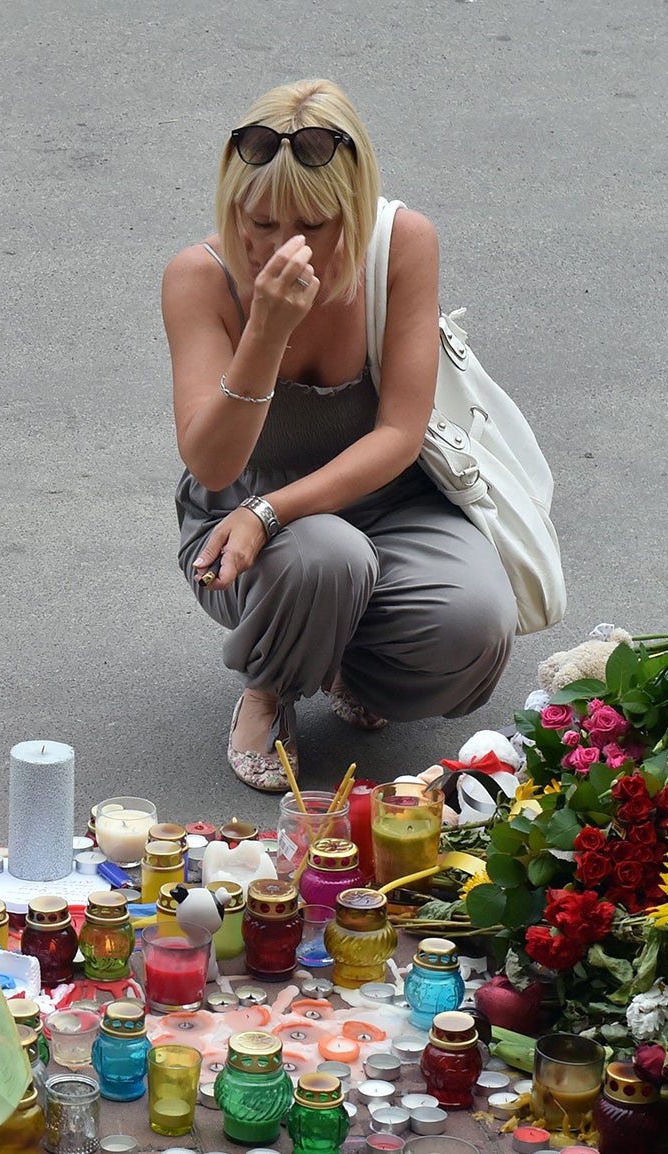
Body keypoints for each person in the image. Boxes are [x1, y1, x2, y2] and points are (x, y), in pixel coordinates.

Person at [161, 78, 516, 793]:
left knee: (476, 622)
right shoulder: (198, 277)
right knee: (326, 554)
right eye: (255, 220)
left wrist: (275, 513)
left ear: (352, 211)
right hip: (238, 519)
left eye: (311, 224)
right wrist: (265, 329)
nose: (276, 245)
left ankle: (348, 665)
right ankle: (268, 689)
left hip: (390, 500)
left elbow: (399, 434)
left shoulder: (402, 246)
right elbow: (211, 457)